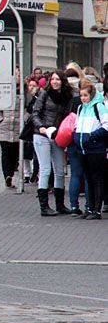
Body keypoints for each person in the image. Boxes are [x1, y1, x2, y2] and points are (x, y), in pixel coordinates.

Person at [31, 70, 74, 216]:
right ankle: (44, 206)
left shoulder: (67, 96)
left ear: (63, 81)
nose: (55, 82)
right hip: (41, 134)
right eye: (53, 79)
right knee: (45, 169)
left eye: (58, 79)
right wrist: (41, 127)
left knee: (60, 170)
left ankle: (60, 204)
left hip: (57, 135)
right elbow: (35, 113)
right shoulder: (44, 93)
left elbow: (67, 116)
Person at [70, 79, 108, 219]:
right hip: (83, 148)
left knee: (96, 179)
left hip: (96, 149)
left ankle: (96, 210)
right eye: (81, 95)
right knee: (88, 178)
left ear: (91, 95)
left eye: (85, 95)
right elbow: (77, 125)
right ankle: (90, 208)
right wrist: (75, 136)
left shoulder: (99, 107)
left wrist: (92, 136)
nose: (83, 98)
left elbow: (106, 125)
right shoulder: (81, 108)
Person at [0, 102, 20, 189]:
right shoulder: (4, 94)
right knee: (6, 153)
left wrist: (23, 120)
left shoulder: (23, 94)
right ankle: (7, 175)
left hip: (18, 127)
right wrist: (0, 120)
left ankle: (10, 174)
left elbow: (28, 108)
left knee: (15, 154)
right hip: (4, 128)